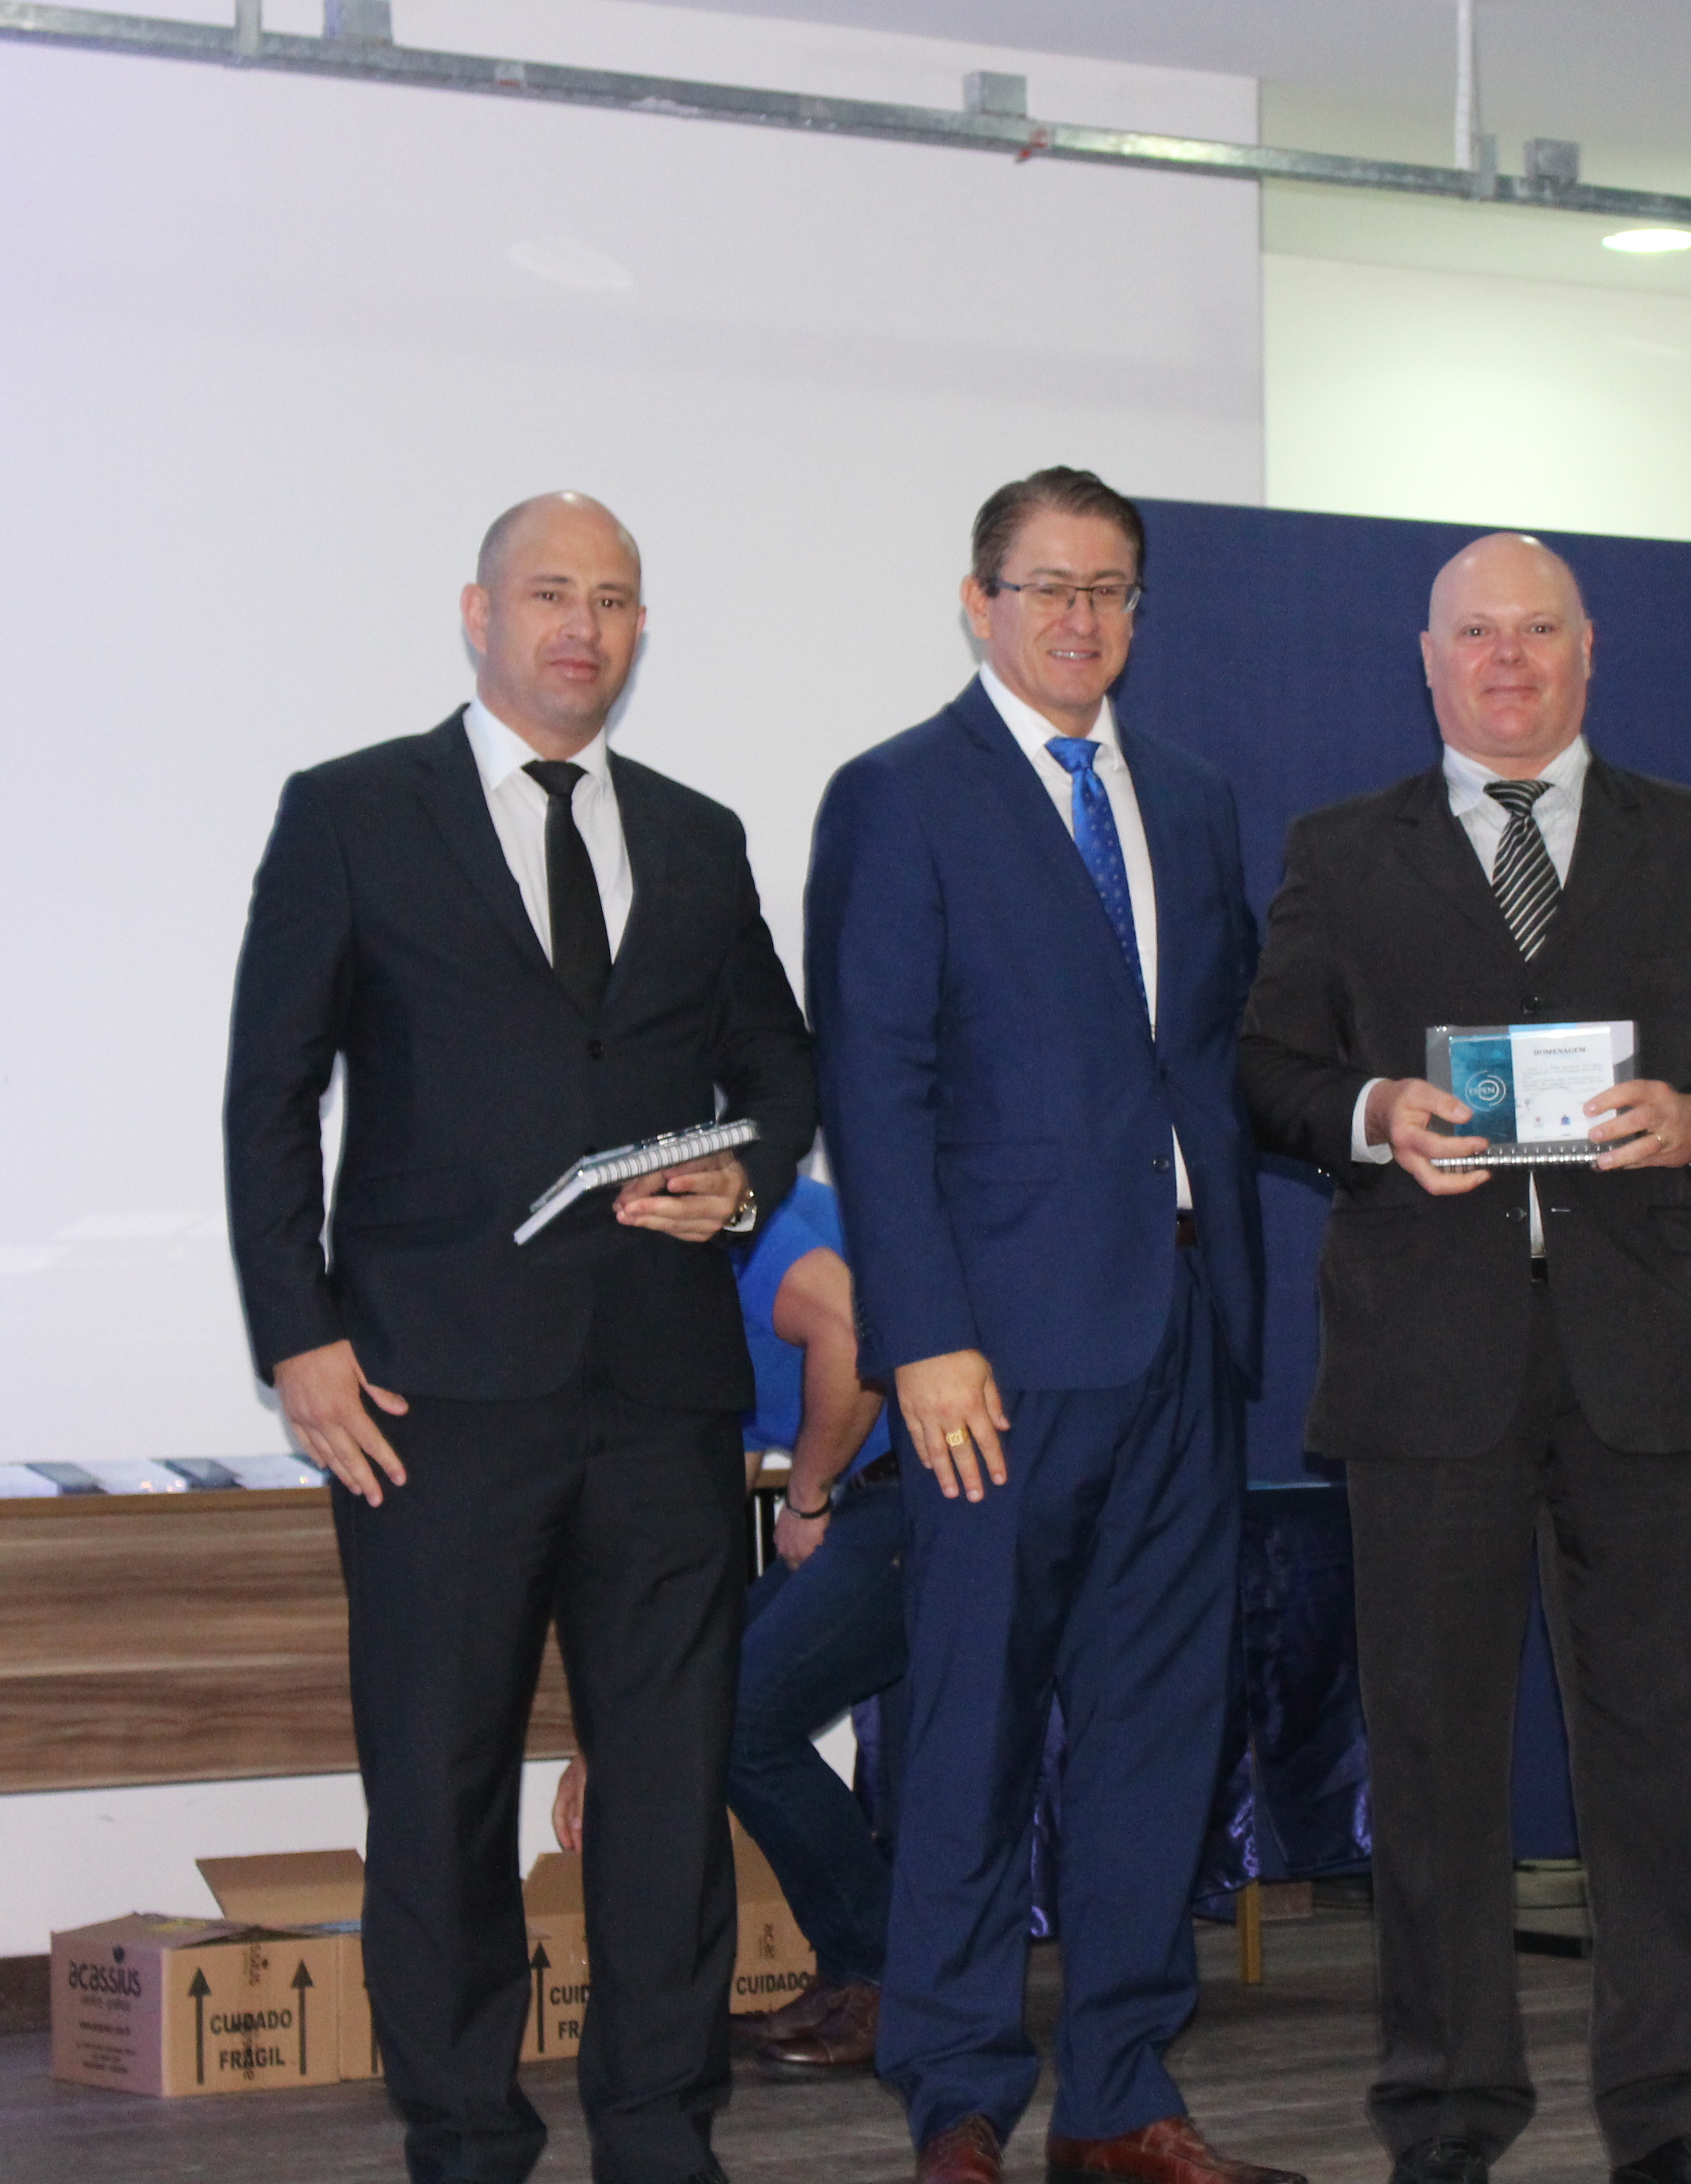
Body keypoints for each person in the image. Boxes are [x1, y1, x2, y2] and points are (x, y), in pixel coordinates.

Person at [223, 494, 815, 2184]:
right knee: (439, 1790)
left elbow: (781, 1068)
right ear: (477, 614)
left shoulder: (697, 834)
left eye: (614, 600)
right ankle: (467, 2137)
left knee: (668, 1790)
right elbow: (271, 1092)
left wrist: (746, 1176)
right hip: (429, 1393)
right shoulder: (351, 812)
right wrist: (297, 1338)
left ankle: (661, 2135)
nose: (583, 626)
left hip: (665, 1395)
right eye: (551, 593)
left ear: (640, 630)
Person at [1237, 535, 1691, 2184]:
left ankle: (1676, 2125)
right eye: (1476, 634)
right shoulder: (1341, 851)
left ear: (1589, 652)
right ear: (1428, 660)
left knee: (1659, 1763)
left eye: (1538, 631)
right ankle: (1445, 2120)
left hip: (1649, 1365)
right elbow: (1269, 1066)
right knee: (1433, 1768)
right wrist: (1373, 1111)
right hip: (1425, 1370)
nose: (1507, 660)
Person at [803, 468, 1297, 2184]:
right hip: (993, 1363)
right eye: (1048, 587)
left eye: (1110, 591)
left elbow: (1213, 1058)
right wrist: (922, 1336)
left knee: (1158, 1737)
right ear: (979, 601)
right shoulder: (899, 795)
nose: (1081, 619)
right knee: (971, 1735)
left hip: (1183, 1333)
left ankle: (1120, 2098)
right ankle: (956, 2100)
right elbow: (874, 1082)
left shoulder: (1193, 797)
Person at [552, 1178, 902, 2078]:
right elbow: (705, 1526)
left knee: (742, 1721)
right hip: (872, 1500)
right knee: (710, 1693)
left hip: (922, 1493)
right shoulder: (679, 1307)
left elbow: (851, 1329)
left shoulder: (732, 1222)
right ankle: (866, 1970)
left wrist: (808, 1494)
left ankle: (884, 1976)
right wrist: (608, 1735)